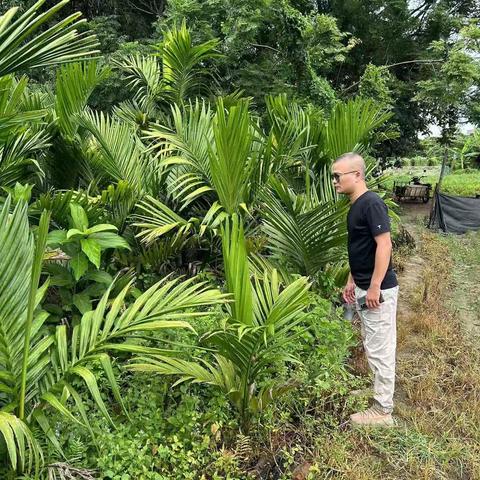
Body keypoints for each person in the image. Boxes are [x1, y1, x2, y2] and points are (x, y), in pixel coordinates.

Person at [332, 152, 399, 427]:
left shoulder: (371, 203)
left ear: (356, 175)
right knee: (372, 344)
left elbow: (385, 245)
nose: (334, 181)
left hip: (377, 291)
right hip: (364, 286)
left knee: (381, 348)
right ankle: (377, 394)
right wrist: (352, 280)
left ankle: (383, 410)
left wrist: (373, 286)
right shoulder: (356, 205)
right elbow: (362, 249)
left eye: (338, 176)